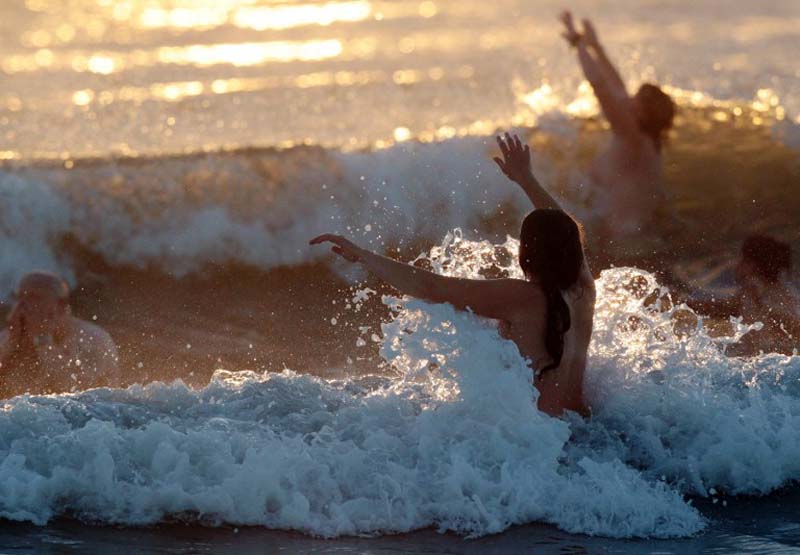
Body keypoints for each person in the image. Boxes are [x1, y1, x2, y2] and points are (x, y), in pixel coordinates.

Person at [311, 134, 595, 417]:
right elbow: (565, 229)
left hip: (542, 437)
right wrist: (526, 179)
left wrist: (363, 256)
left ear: (528, 252)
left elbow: (430, 286)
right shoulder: (583, 291)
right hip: (583, 426)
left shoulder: (523, 297)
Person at [559, 11, 675, 241]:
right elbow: (616, 87)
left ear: (641, 113)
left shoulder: (629, 135)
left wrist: (578, 43)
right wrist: (596, 47)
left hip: (623, 240)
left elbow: (600, 85)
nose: (628, 98)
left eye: (635, 99)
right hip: (637, 235)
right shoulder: (647, 141)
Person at [0, 271, 120, 398]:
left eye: (34, 298)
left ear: (61, 305)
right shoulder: (10, 336)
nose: (23, 305)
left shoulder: (93, 338)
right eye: (20, 297)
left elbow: (75, 392)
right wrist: (12, 342)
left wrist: (42, 338)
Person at [687, 235, 800, 356]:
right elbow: (723, 309)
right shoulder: (749, 294)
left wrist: (763, 307)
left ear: (754, 266)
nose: (737, 265)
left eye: (742, 261)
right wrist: (682, 302)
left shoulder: (782, 295)